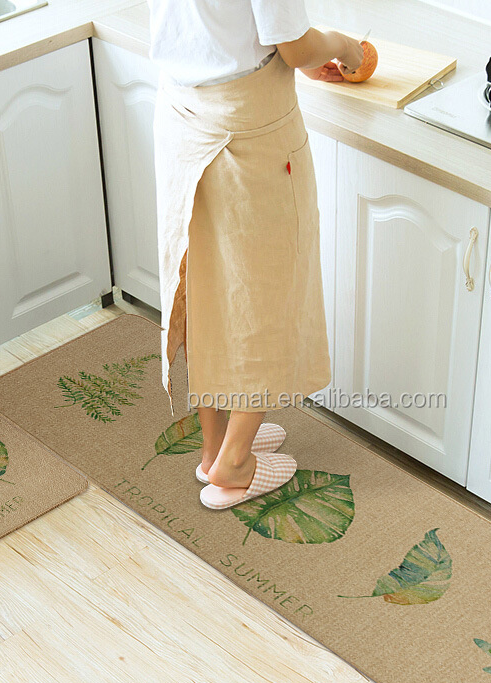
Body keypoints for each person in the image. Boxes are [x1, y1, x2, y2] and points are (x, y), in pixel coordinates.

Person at [147, 1, 364, 509]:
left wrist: (293, 46)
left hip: (181, 110)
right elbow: (294, 44)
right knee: (269, 289)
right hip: (248, 122)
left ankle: (213, 446)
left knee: (207, 282)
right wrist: (338, 44)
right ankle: (235, 463)